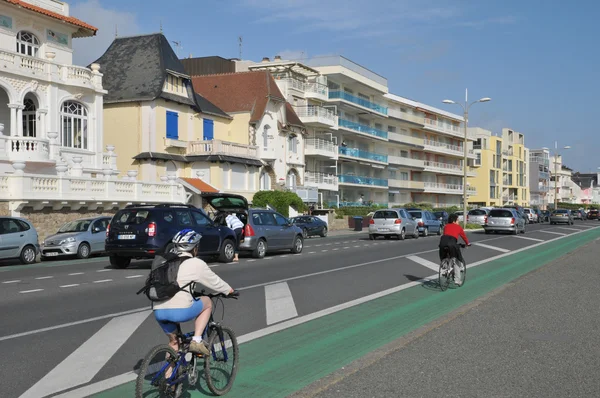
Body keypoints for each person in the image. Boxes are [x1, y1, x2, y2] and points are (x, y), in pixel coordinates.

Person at [153, 229, 235, 355]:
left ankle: (168, 375)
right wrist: (229, 291)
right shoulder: (196, 263)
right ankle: (196, 341)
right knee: (207, 302)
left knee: (174, 343)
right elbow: (215, 282)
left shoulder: (165, 262)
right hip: (179, 311)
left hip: (158, 310)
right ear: (194, 248)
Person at [438, 213, 471, 285]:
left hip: (442, 243)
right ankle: (457, 280)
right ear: (454, 221)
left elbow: (446, 235)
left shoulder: (446, 226)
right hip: (452, 243)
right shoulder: (458, 227)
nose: (458, 221)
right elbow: (464, 237)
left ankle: (445, 269)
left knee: (445, 256)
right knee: (456, 260)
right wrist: (467, 243)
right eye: (458, 220)